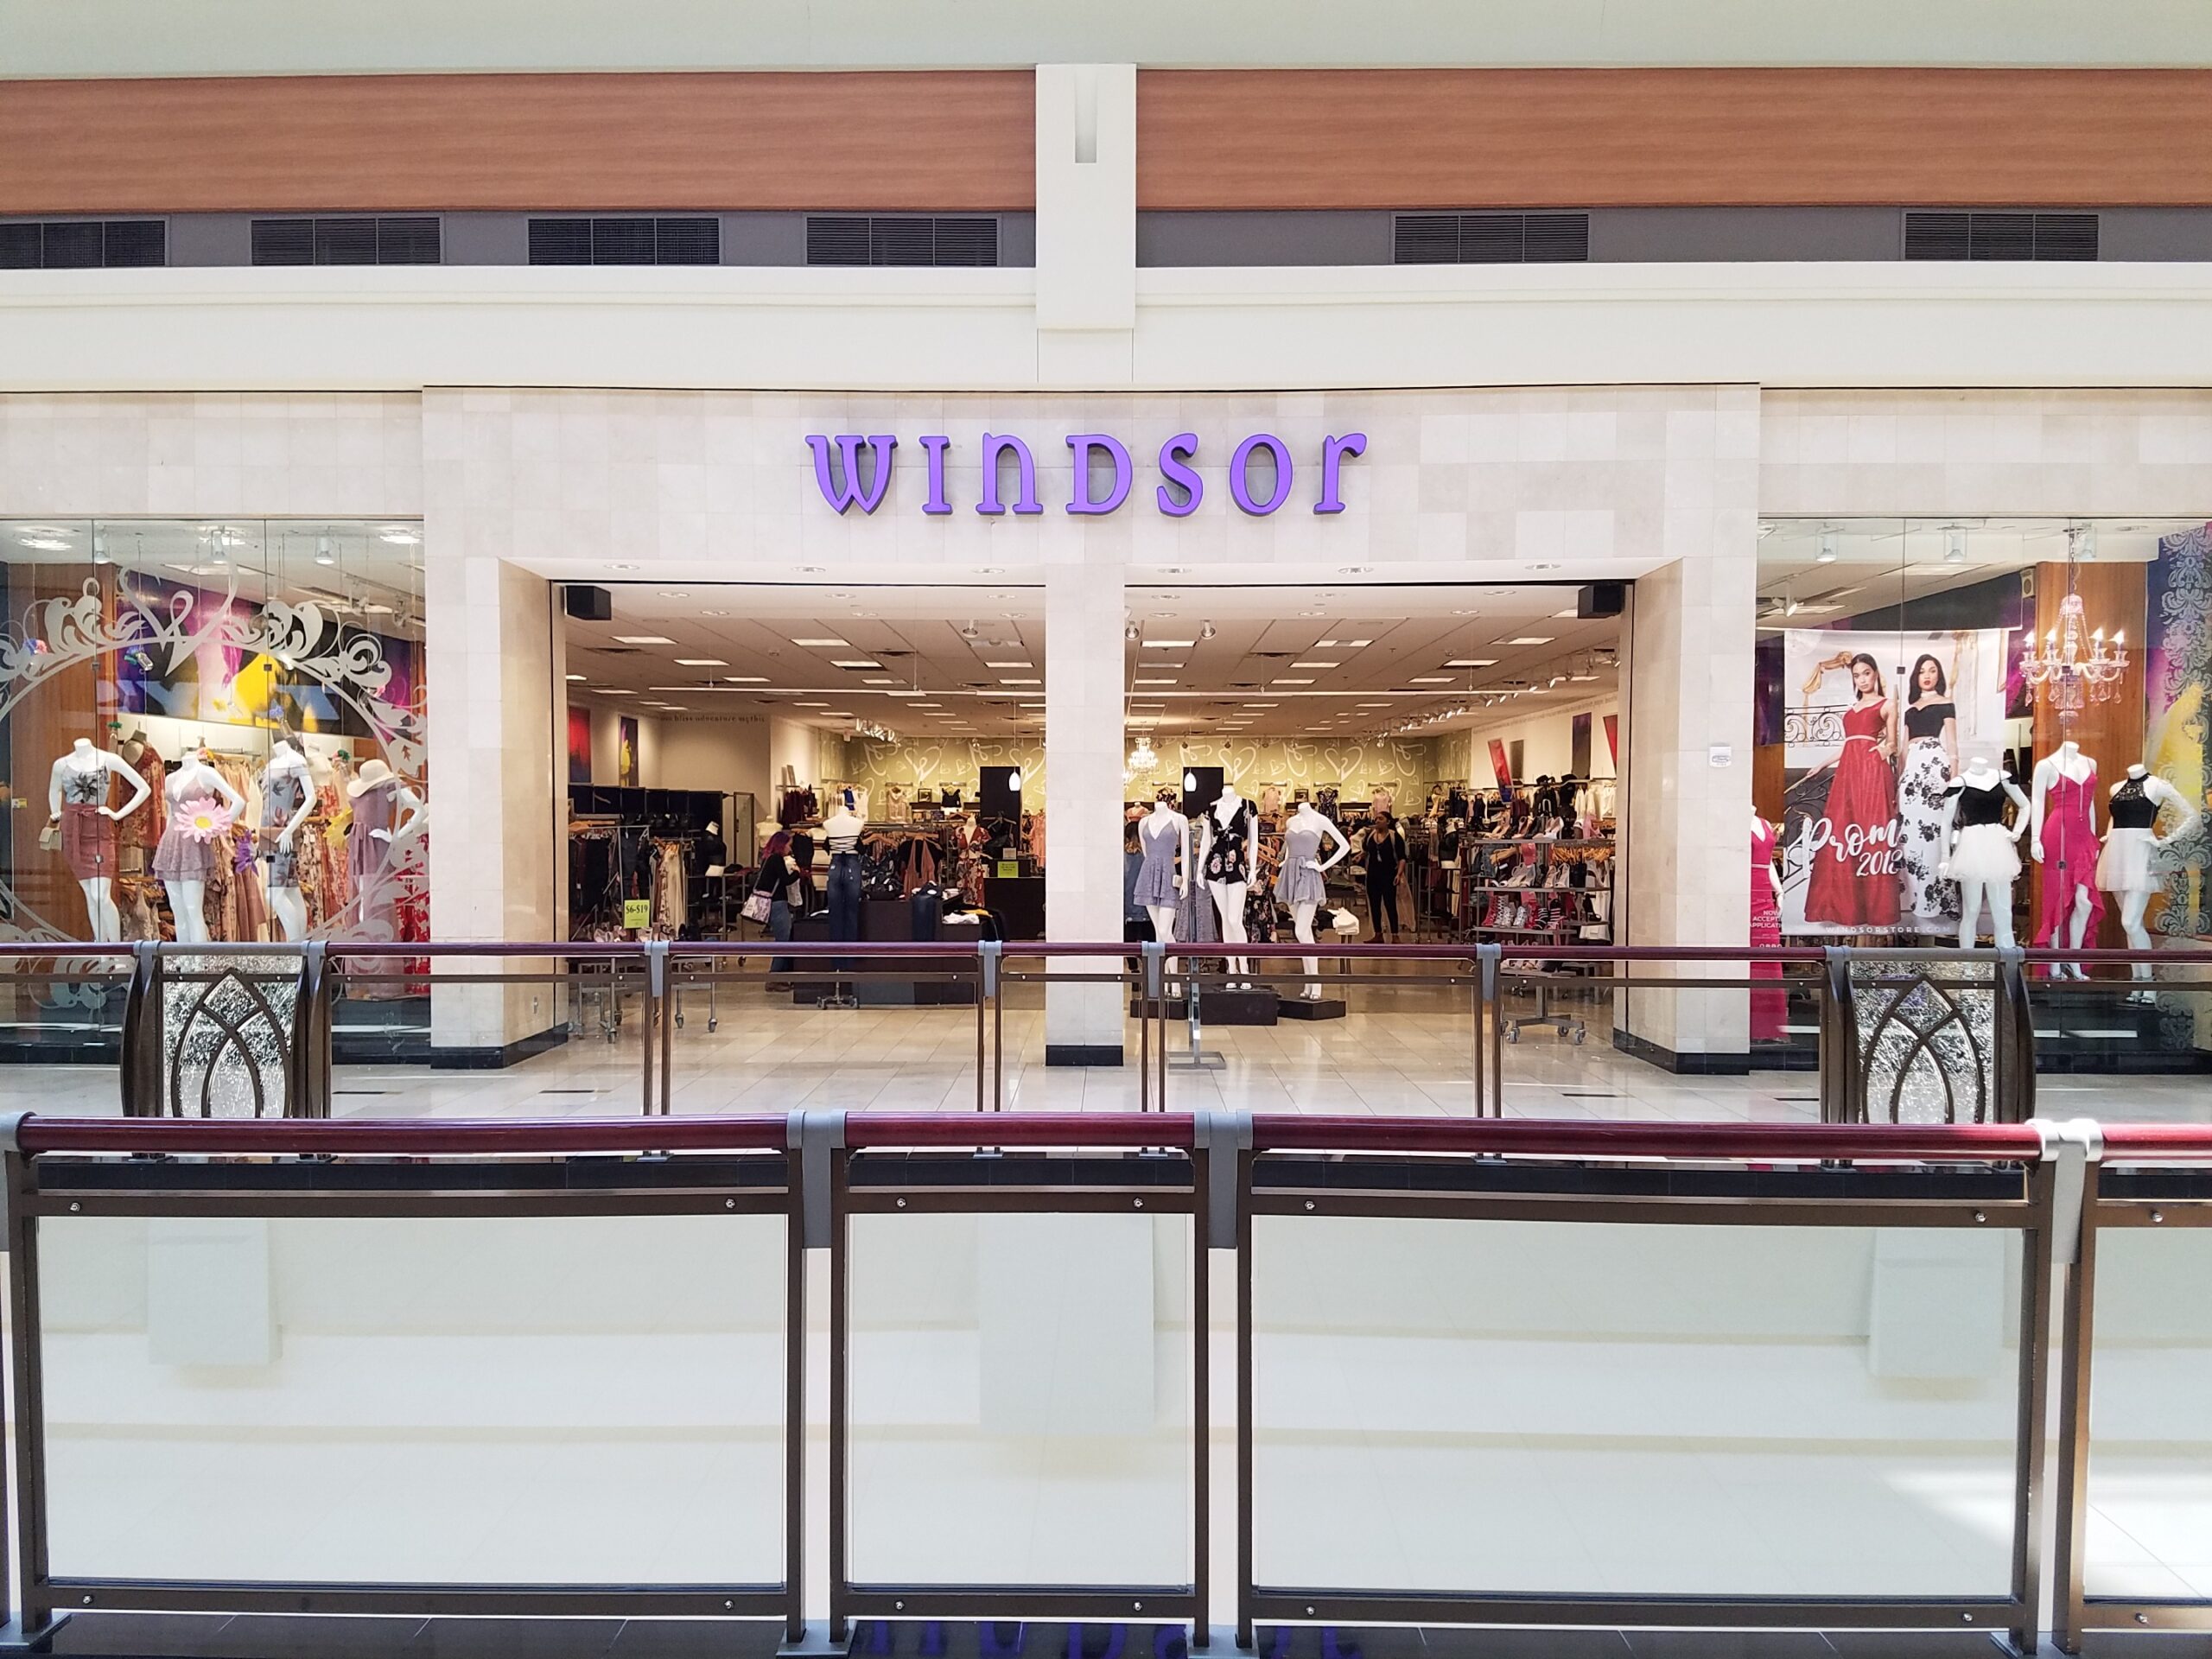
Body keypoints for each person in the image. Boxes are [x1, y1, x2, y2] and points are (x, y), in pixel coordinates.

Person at [1802, 652, 1901, 930]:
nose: (1862, 679)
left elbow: (1892, 743)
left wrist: (1876, 755)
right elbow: (1848, 744)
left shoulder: (1887, 704)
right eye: (1857, 675)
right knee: (1842, 832)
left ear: (1875, 673)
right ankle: (1843, 907)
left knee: (1869, 829)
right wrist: (1822, 764)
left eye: (1866, 673)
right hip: (1848, 770)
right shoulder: (1853, 707)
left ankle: (1874, 909)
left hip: (1870, 770)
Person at [1895, 652, 1960, 930]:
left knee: (1934, 833)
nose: (1927, 675)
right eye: (1922, 671)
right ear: (1916, 676)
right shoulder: (1910, 709)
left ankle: (1940, 899)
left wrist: (1954, 782)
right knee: (1911, 835)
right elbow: (1901, 748)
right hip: (1912, 767)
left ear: (1939, 674)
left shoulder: (1946, 703)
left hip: (1935, 764)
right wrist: (1898, 779)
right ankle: (1918, 898)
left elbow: (1954, 747)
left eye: (1932, 670)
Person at [753, 830, 808, 976]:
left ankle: (779, 976)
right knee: (783, 942)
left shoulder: (768, 859)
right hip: (777, 903)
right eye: (788, 846)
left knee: (782, 940)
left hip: (771, 903)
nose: (790, 849)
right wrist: (797, 872)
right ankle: (775, 977)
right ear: (782, 845)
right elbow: (786, 880)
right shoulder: (777, 860)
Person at [1362, 810, 1408, 943]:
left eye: (1380, 819)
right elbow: (1366, 850)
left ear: (1388, 821)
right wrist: (1361, 855)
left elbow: (1402, 858)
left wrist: (1399, 874)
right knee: (1374, 905)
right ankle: (1378, 934)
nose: (1377, 821)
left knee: (1390, 904)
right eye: (1376, 819)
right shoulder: (1371, 836)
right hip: (1373, 875)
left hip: (1388, 874)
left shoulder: (1395, 837)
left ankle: (1395, 935)